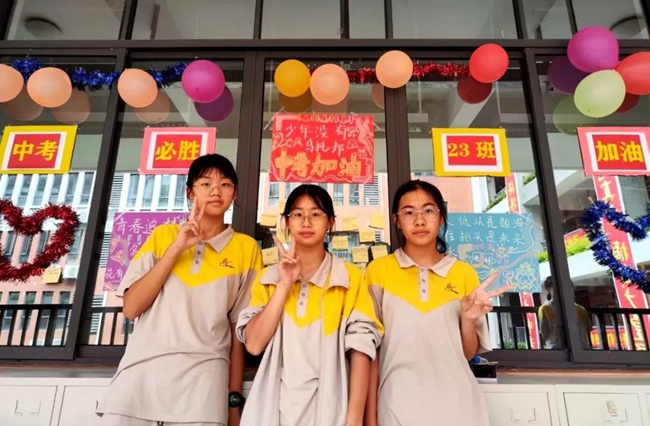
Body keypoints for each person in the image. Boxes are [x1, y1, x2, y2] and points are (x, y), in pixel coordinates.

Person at [98, 154, 262, 426]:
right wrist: (176, 248)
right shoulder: (163, 236)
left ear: (234, 193)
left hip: (204, 384)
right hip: (141, 375)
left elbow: (238, 333)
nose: (216, 191)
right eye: (206, 184)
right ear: (190, 192)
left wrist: (233, 401)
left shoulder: (246, 249)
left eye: (225, 184)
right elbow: (131, 308)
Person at [364, 180, 512, 426]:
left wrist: (468, 320)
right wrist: (369, 418)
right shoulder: (378, 271)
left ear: (441, 217)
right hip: (396, 407)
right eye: (409, 213)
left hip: (459, 407)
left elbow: (467, 353)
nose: (419, 221)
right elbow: (371, 352)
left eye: (428, 210)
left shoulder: (463, 273)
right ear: (397, 221)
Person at [236, 184, 383, 426]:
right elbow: (253, 344)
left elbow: (362, 351)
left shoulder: (348, 278)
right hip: (274, 412)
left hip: (331, 413)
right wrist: (284, 284)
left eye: (316, 214)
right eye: (297, 214)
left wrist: (355, 419)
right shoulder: (267, 278)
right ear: (286, 222)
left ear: (330, 222)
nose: (306, 222)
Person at [539, 276, 592, 350]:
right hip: (558, 351)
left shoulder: (581, 310)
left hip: (582, 350)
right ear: (548, 289)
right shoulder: (545, 309)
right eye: (558, 287)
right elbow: (544, 334)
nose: (563, 290)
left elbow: (544, 334)